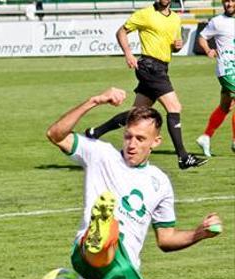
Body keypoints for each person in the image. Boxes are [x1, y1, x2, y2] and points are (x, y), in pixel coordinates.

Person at [12, 88, 223, 279]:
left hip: (123, 275)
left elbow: (166, 239)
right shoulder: (101, 154)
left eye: (140, 138)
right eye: (128, 136)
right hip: (90, 251)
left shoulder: (160, 183)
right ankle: (103, 229)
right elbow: (55, 135)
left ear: (156, 142)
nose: (131, 144)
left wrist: (199, 233)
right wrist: (93, 100)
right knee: (109, 238)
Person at [84, 0, 208, 170]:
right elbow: (121, 32)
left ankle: (94, 133)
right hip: (150, 67)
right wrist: (128, 53)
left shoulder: (175, 19)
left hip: (161, 68)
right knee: (175, 107)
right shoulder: (145, 14)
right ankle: (183, 157)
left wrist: (177, 46)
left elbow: (174, 47)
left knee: (136, 115)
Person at [195, 0, 234, 157]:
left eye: (231, 1)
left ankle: (205, 137)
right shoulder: (217, 21)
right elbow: (202, 37)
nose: (229, 4)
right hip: (226, 68)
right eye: (226, 1)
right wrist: (207, 49)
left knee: (226, 106)